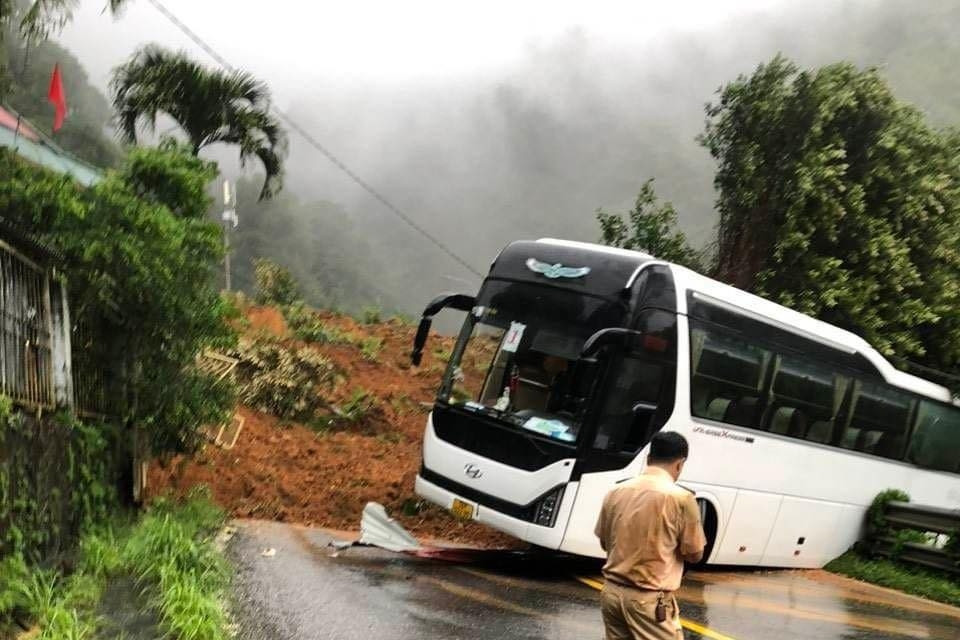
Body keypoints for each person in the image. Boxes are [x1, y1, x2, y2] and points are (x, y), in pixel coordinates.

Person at [594, 431, 706, 640]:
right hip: (650, 602)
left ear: (649, 459)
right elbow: (695, 553)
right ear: (680, 464)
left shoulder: (616, 491)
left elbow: (604, 541)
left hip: (611, 594)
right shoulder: (682, 499)